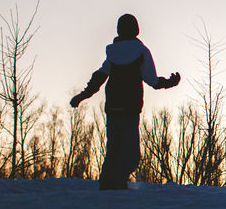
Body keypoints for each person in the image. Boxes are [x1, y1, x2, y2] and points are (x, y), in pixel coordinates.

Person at [69, 13, 180, 190]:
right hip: (130, 107)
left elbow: (99, 77)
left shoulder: (112, 54)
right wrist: (170, 82)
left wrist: (82, 95)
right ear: (136, 30)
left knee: (113, 150)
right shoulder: (141, 52)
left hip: (113, 107)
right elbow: (152, 80)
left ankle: (107, 184)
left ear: (119, 30)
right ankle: (116, 183)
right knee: (131, 154)